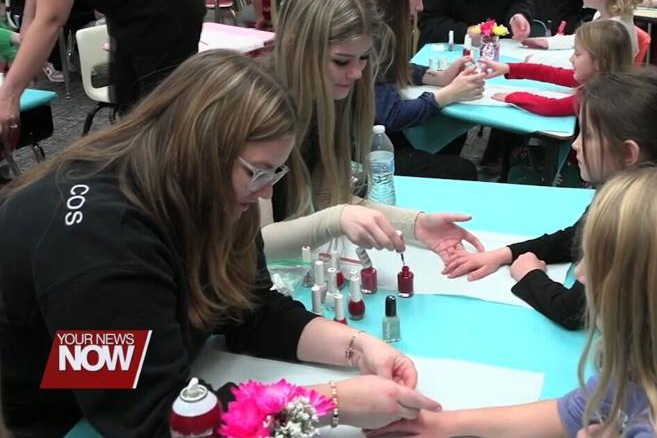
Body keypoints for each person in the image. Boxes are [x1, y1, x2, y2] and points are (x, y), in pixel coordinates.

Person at [0, 50, 440, 436]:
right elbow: (158, 424)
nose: (267, 192)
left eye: (276, 173)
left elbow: (250, 309)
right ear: (201, 149)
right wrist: (330, 405)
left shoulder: (208, 193)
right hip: (61, 419)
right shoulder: (98, 247)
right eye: (259, 172)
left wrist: (356, 347)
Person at [375, 161, 657, 438]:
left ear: (649, 299)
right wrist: (446, 424)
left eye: (594, 263)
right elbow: (571, 411)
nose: (579, 274)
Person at [444, 67, 657, 330]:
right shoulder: (629, 190)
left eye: (586, 134)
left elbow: (572, 310)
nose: (575, 144)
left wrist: (529, 274)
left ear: (628, 154)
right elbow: (574, 238)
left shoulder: (630, 218)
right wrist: (504, 254)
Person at [263, 0, 484, 264]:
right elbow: (255, 244)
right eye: (341, 61)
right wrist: (336, 219)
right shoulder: (261, 112)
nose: (356, 73)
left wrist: (416, 225)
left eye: (364, 58)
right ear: (298, 48)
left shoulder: (329, 96)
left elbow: (330, 197)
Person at [0, 0, 205, 141]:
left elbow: (53, 17)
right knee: (130, 112)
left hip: (164, 7)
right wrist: (27, 24)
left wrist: (9, 96)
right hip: (128, 9)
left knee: (161, 122)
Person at [362, 0, 482, 181]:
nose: (421, 6)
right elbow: (392, 115)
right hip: (367, 151)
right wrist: (446, 95)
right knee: (463, 170)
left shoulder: (374, 27)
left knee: (448, 131)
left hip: (367, 136)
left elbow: (386, 72)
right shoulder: (376, 35)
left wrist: (437, 77)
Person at [480, 19, 632, 117]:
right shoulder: (598, 78)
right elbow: (550, 73)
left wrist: (511, 96)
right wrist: (508, 68)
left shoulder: (597, 97)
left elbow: (551, 107)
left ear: (599, 63)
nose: (571, 58)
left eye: (577, 54)